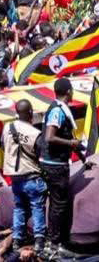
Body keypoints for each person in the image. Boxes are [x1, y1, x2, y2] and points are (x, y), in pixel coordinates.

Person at [40, 77, 82, 253]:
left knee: (57, 204)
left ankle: (53, 242)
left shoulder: (57, 108)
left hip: (53, 163)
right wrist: (70, 144)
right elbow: (50, 137)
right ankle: (56, 245)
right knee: (59, 205)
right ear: (69, 92)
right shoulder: (57, 111)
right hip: (55, 165)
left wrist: (83, 159)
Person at [2, 99, 46, 254]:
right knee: (37, 207)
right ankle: (39, 240)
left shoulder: (7, 127)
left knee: (19, 208)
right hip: (32, 177)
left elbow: (4, 145)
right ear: (31, 113)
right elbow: (42, 154)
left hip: (15, 179)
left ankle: (16, 241)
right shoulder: (35, 133)